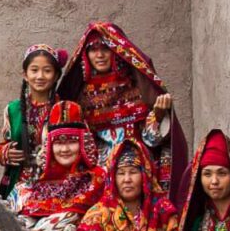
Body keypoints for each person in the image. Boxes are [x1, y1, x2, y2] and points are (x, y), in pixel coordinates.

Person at [58, 20, 188, 198]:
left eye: (105, 49)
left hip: (137, 164)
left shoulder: (136, 88)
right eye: (93, 50)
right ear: (86, 55)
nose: (100, 55)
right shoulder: (80, 98)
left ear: (116, 52)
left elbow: (151, 140)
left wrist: (157, 116)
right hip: (100, 169)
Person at [0, 101, 105, 231]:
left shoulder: (94, 179)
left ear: (82, 143)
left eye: (71, 141)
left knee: (68, 217)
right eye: (59, 143)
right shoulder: (37, 181)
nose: (64, 149)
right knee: (21, 198)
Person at [0, 43, 68, 198]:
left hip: (53, 184)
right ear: (25, 75)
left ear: (56, 76)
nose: (40, 76)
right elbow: (5, 142)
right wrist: (5, 152)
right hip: (17, 184)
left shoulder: (65, 110)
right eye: (34, 70)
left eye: (47, 71)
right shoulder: (13, 110)